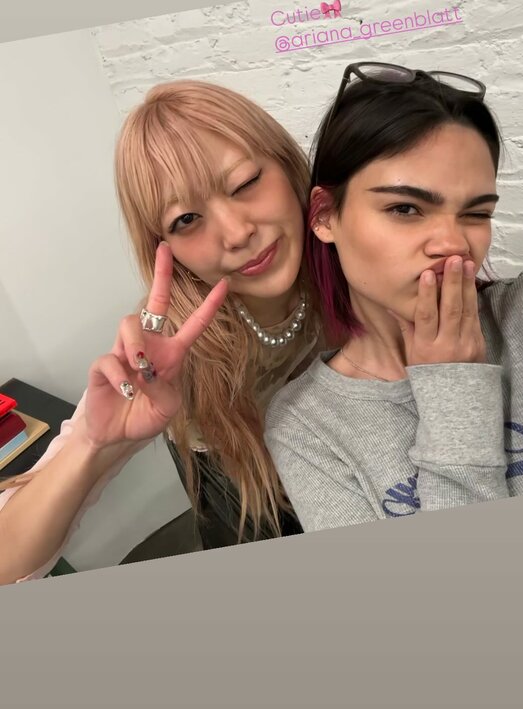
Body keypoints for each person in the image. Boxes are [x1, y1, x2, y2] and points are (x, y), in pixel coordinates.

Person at [0, 80, 322, 585]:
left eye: (244, 183)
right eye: (187, 219)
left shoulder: (349, 266)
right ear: (162, 245)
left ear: (287, 163)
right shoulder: (173, 350)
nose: (237, 232)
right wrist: (93, 443)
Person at [263, 61, 523, 533]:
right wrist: (453, 389)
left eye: (476, 214)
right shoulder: (307, 427)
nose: (454, 244)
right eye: (405, 208)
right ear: (324, 216)